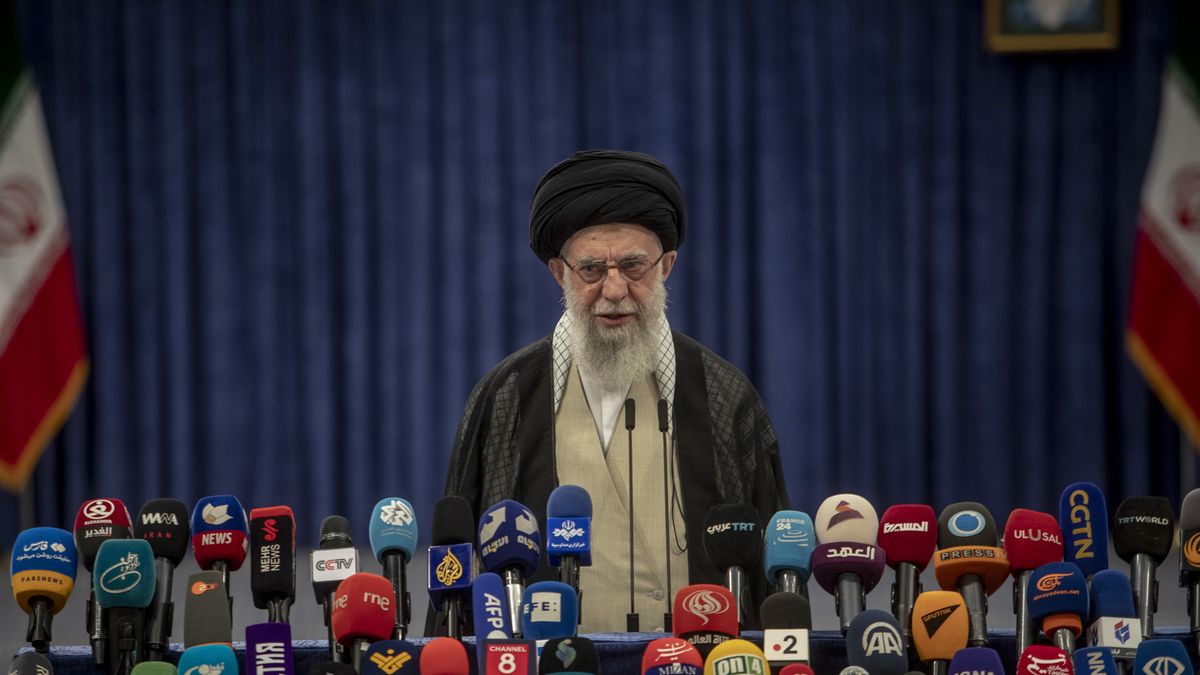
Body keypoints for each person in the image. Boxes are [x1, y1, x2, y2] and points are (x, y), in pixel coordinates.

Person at [438, 149, 790, 634]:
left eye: (633, 267)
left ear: (667, 266)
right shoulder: (505, 396)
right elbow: (454, 579)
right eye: (590, 270)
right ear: (558, 273)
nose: (614, 288)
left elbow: (771, 578)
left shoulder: (725, 393)